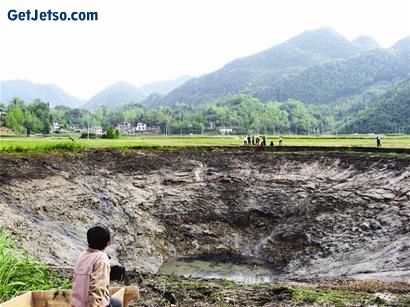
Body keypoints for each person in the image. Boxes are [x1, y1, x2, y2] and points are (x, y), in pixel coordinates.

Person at [72, 226, 122, 307]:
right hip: (91, 303)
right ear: (106, 244)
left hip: (77, 302)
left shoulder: (83, 255)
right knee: (117, 303)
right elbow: (97, 287)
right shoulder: (101, 258)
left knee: (115, 302)